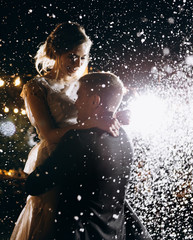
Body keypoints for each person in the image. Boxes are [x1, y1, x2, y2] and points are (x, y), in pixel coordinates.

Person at [10, 22, 120, 240]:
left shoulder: (84, 82)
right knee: (53, 221)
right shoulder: (37, 87)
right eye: (72, 56)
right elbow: (49, 134)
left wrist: (115, 116)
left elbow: (99, 107)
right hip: (55, 155)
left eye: (83, 57)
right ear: (58, 51)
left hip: (85, 155)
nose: (78, 63)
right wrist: (89, 126)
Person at [25, 72, 152, 239]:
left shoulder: (78, 139)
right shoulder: (123, 137)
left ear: (95, 101)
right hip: (114, 235)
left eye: (79, 95)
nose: (75, 103)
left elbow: (35, 185)